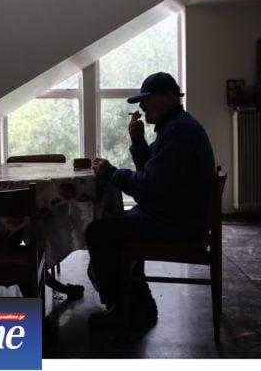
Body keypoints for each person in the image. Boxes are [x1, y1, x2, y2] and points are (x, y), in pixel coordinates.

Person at [85, 72, 215, 330]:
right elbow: (153, 174)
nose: (142, 106)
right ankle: (137, 302)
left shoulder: (179, 132)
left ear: (169, 99)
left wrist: (111, 173)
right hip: (178, 215)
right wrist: (138, 141)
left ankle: (122, 309)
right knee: (115, 226)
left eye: (147, 99)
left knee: (99, 232)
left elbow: (148, 186)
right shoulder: (176, 127)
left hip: (177, 222)